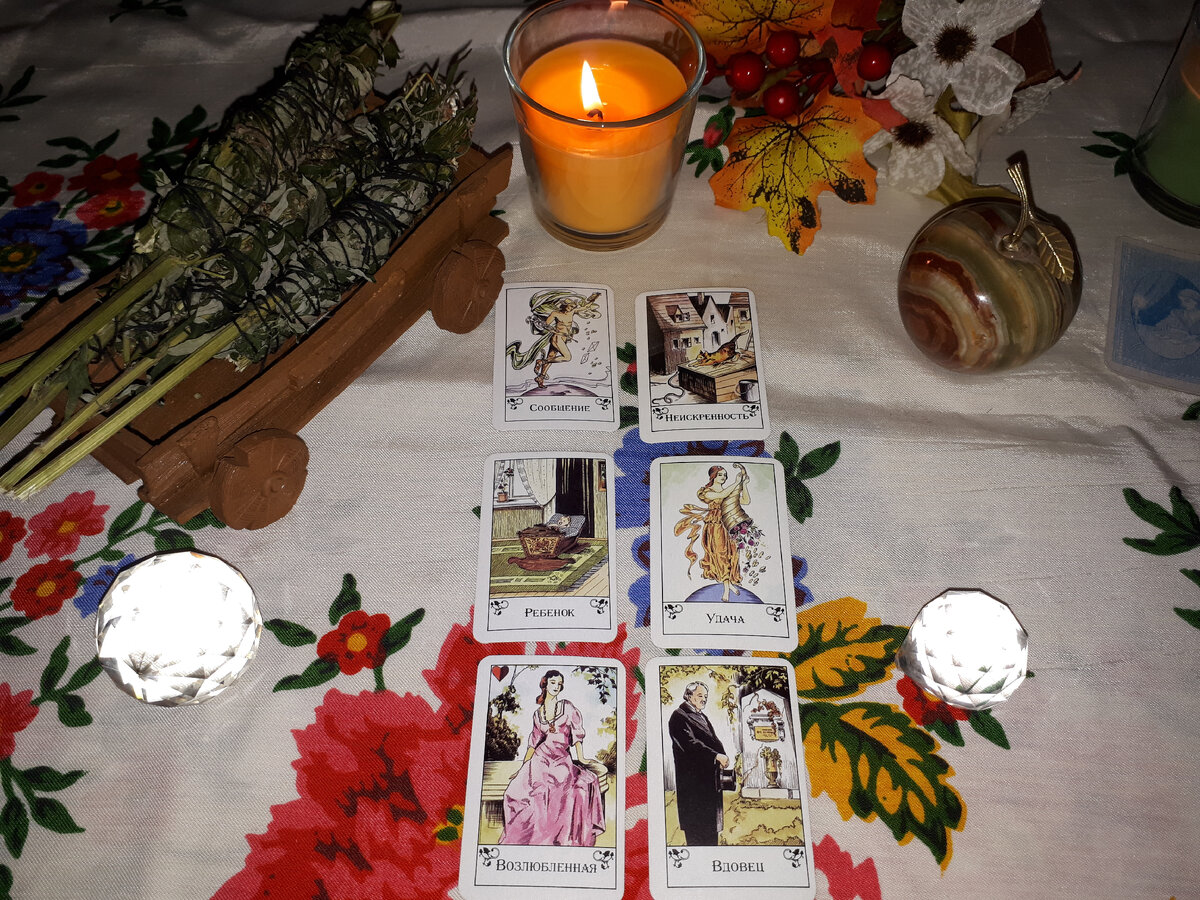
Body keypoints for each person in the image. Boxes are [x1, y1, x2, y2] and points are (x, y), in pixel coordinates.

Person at [500, 670, 606, 847]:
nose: (557, 686)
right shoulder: (537, 714)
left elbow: (577, 734)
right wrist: (522, 768)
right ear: (545, 684)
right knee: (519, 792)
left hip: (561, 759)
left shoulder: (568, 707)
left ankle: (554, 838)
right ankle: (538, 837)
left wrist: (582, 758)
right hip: (540, 758)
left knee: (562, 786)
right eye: (553, 682)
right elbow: (534, 743)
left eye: (559, 683)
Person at [675, 462, 763, 601]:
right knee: (720, 553)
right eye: (720, 474)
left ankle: (729, 583)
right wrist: (737, 483)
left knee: (732, 553)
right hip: (715, 525)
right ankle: (727, 588)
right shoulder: (705, 491)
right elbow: (722, 494)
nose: (723, 477)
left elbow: (745, 501)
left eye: (725, 475)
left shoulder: (729, 491)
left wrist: (744, 485)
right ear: (713, 476)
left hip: (729, 524)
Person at [668, 681, 729, 846]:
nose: (704, 699)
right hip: (693, 783)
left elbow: (713, 739)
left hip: (709, 781)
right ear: (689, 696)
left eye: (705, 696)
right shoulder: (679, 716)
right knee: (696, 831)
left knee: (711, 831)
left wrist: (722, 755)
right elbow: (689, 745)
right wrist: (715, 756)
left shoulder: (702, 716)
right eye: (700, 695)